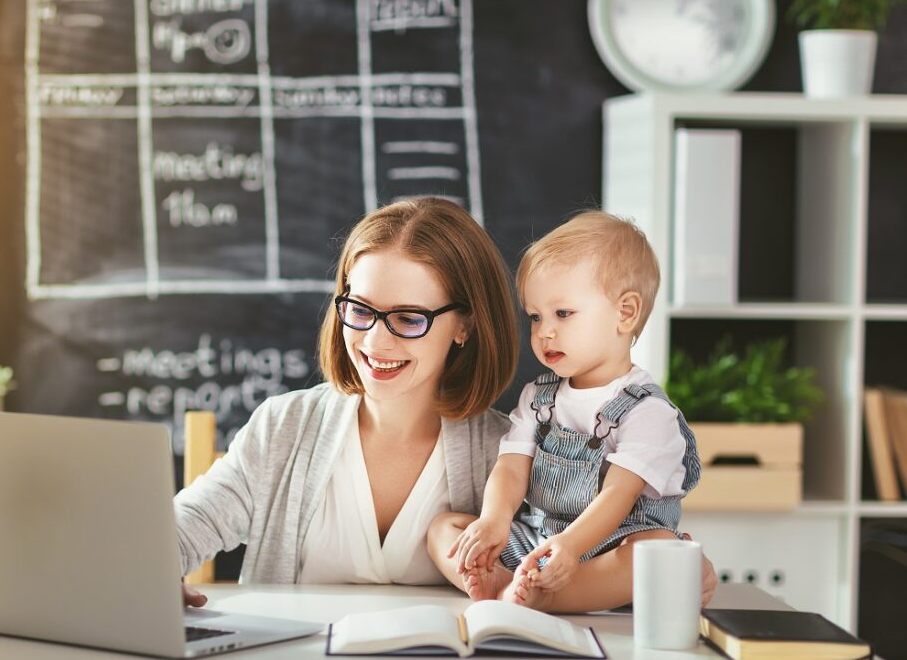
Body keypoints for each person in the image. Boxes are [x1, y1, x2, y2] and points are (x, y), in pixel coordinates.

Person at [175, 196, 519, 602]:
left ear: (466, 325)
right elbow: (186, 525)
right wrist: (151, 571)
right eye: (359, 309)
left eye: (408, 319)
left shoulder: (509, 455)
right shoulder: (285, 426)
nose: (375, 341)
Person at [427, 209, 705, 613]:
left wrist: (571, 548)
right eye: (535, 317)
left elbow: (618, 495)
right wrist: (493, 521)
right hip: (540, 539)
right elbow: (511, 468)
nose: (544, 332)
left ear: (625, 313)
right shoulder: (539, 397)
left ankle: (547, 597)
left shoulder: (648, 412)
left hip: (607, 547)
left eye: (563, 314)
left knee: (659, 550)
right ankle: (507, 581)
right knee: (444, 528)